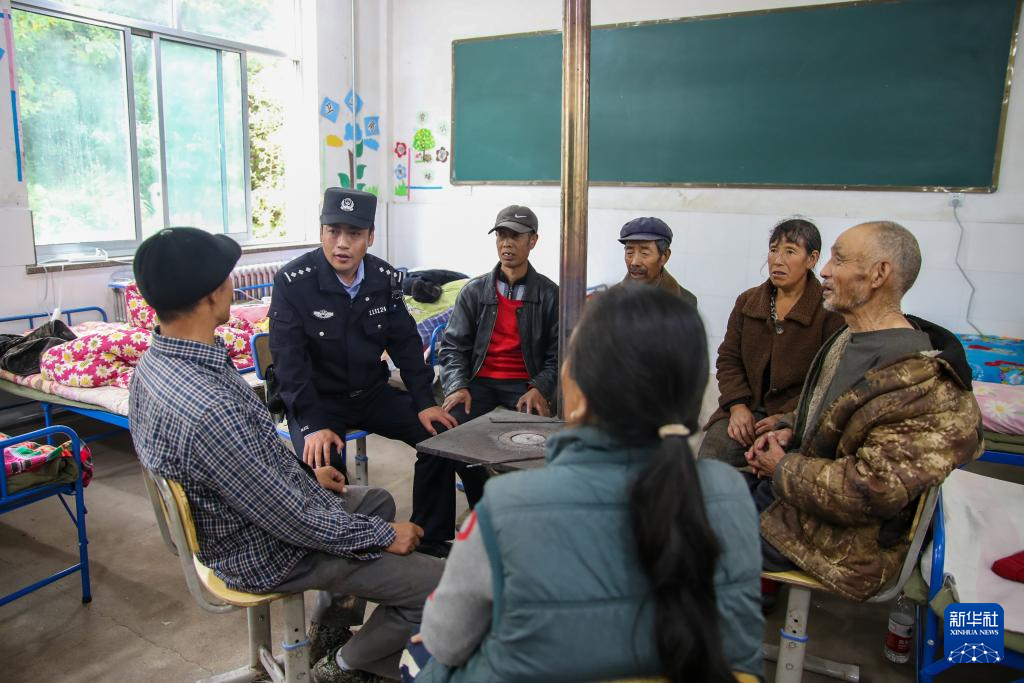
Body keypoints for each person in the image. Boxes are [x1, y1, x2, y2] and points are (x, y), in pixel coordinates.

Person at [128, 227, 443, 683]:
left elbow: (248, 462)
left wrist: (304, 476)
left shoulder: (157, 365)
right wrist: (379, 536)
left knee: (374, 498)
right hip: (261, 549)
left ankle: (330, 632)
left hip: (240, 518)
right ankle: (342, 669)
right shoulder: (209, 408)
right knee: (437, 586)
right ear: (212, 293)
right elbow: (291, 519)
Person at [412, 286, 763, 682]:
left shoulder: (507, 507)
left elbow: (446, 639)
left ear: (577, 395)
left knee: (422, 654)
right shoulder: (730, 493)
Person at [745, 221, 983, 601]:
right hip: (798, 503)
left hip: (843, 543)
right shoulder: (848, 337)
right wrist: (791, 429)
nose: (823, 271)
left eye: (838, 259)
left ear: (879, 274)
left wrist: (781, 466)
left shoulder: (922, 384)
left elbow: (868, 490)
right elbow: (838, 418)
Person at [268, 188, 464, 557]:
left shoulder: (384, 278)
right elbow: (289, 363)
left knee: (438, 436)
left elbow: (406, 342)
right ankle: (344, 567)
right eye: (333, 231)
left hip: (370, 393)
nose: (342, 244)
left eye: (354, 234)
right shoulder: (294, 282)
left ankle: (432, 540)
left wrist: (424, 401)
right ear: (322, 231)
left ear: (370, 237)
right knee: (326, 473)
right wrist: (311, 423)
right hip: (318, 401)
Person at [699, 218, 844, 465]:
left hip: (799, 417)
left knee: (775, 472)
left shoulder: (830, 310)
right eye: (774, 250)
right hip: (745, 406)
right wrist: (737, 407)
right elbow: (728, 359)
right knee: (711, 461)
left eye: (790, 251)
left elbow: (829, 380)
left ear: (812, 259)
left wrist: (788, 417)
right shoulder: (748, 301)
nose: (778, 260)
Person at [439, 204, 559, 426]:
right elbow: (452, 347)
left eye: (515, 236)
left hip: (525, 384)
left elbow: (559, 354)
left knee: (532, 437)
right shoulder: (474, 291)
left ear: (532, 241)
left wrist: (540, 388)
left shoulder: (550, 295)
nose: (507, 243)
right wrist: (457, 386)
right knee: (443, 427)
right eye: (501, 235)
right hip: (477, 381)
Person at [614, 216, 697, 307]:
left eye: (644, 253)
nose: (634, 262)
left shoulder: (685, 301)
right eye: (629, 252)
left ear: (664, 256)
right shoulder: (612, 299)